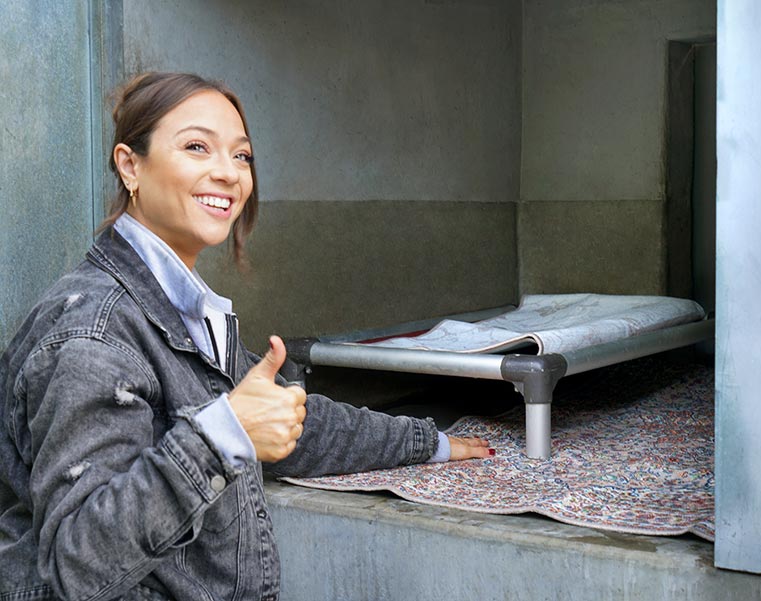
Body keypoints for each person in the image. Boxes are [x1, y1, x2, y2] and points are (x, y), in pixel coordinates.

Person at [0, 72, 493, 601]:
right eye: (197, 147)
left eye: (242, 156)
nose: (228, 174)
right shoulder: (93, 334)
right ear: (130, 165)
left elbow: (296, 421)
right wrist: (222, 437)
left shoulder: (178, 307)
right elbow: (75, 563)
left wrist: (429, 443)